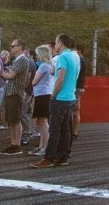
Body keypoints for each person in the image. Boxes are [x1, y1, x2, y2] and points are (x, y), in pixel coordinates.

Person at [34, 34, 80, 168]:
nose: (55, 46)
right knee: (66, 129)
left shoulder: (63, 57)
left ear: (61, 43)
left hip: (60, 97)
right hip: (70, 96)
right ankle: (63, 156)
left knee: (54, 129)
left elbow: (60, 78)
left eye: (56, 43)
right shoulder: (74, 57)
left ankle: (49, 157)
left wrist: (54, 94)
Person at [0, 39, 34, 155]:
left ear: (20, 47)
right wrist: (6, 74)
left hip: (15, 92)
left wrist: (6, 74)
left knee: (16, 119)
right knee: (12, 120)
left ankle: (17, 145)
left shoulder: (22, 59)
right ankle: (14, 144)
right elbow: (7, 74)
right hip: (11, 92)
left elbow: (10, 75)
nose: (11, 48)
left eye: (13, 46)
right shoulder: (17, 60)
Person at [29, 45, 54, 157]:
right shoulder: (50, 65)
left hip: (42, 95)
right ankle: (41, 146)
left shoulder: (44, 66)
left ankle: (44, 147)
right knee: (41, 121)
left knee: (43, 122)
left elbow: (34, 81)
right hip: (44, 94)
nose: (36, 56)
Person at [71, 44, 89, 141]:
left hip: (77, 87)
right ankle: (74, 131)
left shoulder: (80, 61)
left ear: (79, 51)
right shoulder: (82, 61)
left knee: (75, 111)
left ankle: (74, 132)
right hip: (79, 87)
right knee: (76, 110)